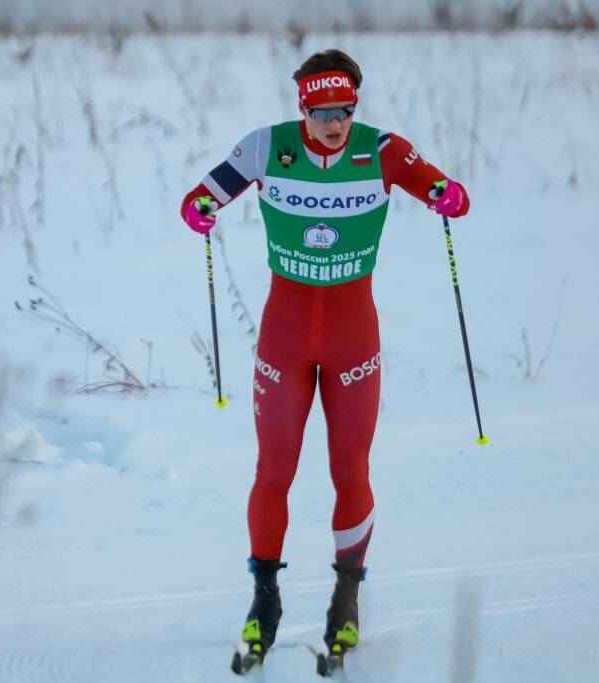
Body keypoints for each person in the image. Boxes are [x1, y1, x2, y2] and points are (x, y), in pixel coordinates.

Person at [180, 48, 470, 662]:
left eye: (343, 109)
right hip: (284, 338)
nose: (333, 122)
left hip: (352, 338)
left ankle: (346, 599)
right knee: (273, 471)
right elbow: (198, 198)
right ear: (302, 108)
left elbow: (447, 190)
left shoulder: (383, 149)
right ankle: (265, 598)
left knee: (351, 471)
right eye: (320, 111)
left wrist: (445, 195)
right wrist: (201, 210)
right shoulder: (266, 146)